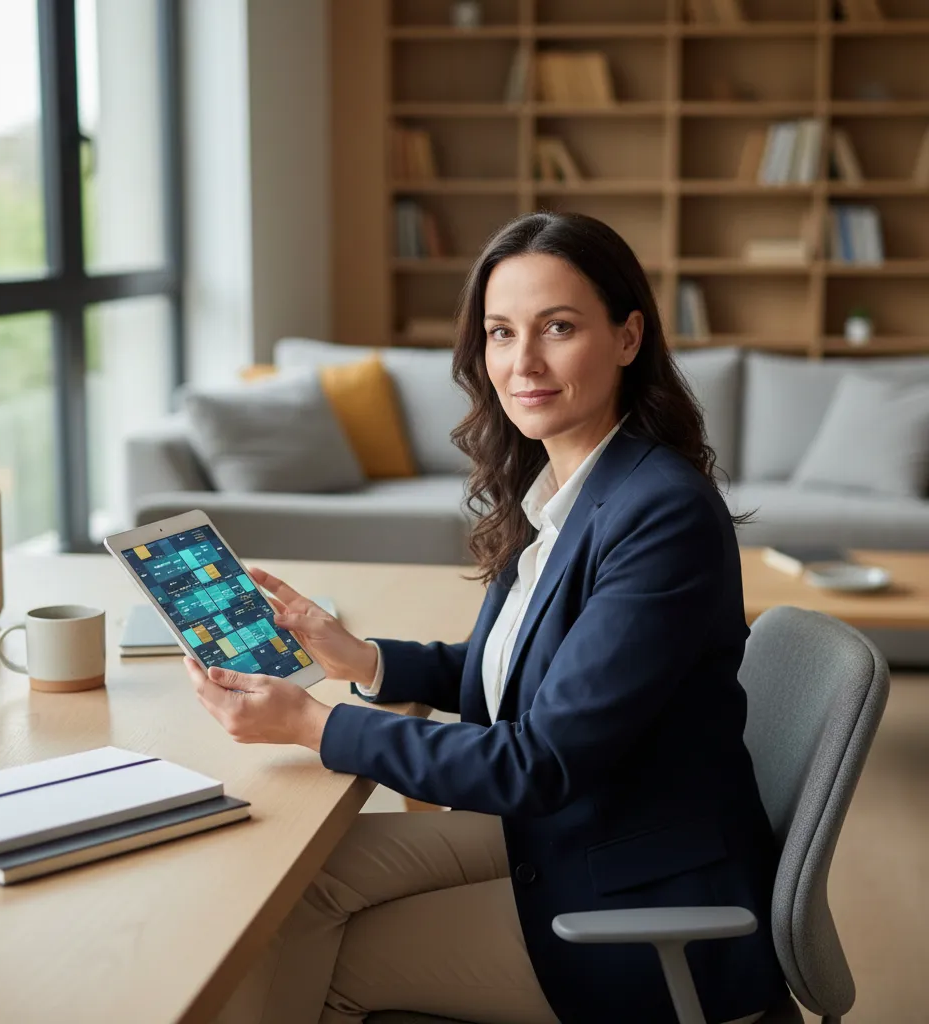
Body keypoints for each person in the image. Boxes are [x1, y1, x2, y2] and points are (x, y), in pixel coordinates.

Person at [186, 212, 788, 1024]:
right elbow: (524, 673)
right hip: (584, 829)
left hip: (634, 895)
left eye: (559, 328)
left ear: (627, 336)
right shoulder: (565, 489)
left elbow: (534, 761)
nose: (523, 362)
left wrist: (311, 726)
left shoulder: (661, 515)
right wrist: (360, 659)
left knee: (318, 953)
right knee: (299, 886)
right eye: (501, 333)